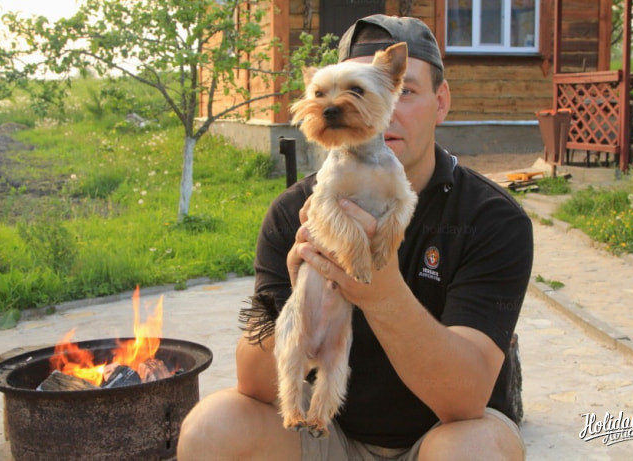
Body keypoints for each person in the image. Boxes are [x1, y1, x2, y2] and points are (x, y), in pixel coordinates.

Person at [178, 14, 532, 461]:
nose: (373, 109)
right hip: (328, 434)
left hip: (445, 433)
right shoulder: (295, 212)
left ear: (441, 102)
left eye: (403, 91)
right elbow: (254, 383)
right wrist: (294, 296)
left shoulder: (491, 217)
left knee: (475, 452)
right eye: (333, 94)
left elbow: (464, 399)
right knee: (211, 429)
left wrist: (379, 292)